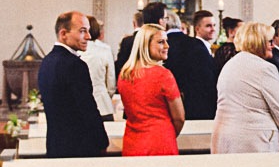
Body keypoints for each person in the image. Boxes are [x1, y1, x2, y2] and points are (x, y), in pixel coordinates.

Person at [38, 11, 109, 158]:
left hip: (55, 145)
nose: (89, 37)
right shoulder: (75, 65)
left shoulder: (46, 62)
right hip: (79, 148)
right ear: (64, 34)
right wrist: (102, 141)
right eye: (83, 31)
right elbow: (88, 109)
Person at [212, 22, 279, 153]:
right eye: (269, 41)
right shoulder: (265, 68)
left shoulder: (230, 64)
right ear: (258, 42)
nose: (272, 45)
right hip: (255, 141)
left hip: (224, 138)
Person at [118, 24, 185, 156]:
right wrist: (167, 132)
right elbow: (179, 118)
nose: (167, 46)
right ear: (145, 45)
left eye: (166, 41)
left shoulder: (124, 75)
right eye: (161, 42)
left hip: (132, 143)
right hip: (160, 142)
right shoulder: (163, 75)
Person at [165, 9, 218, 120]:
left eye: (214, 25)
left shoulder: (198, 46)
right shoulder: (194, 47)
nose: (213, 29)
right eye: (208, 26)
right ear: (197, 28)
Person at [116, 1, 166, 77]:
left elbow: (120, 67)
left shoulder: (127, 41)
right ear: (160, 20)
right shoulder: (164, 45)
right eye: (166, 18)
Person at [84, 15, 117, 121]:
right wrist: (108, 96)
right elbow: (111, 81)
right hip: (103, 104)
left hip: (81, 106)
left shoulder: (76, 51)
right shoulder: (105, 49)